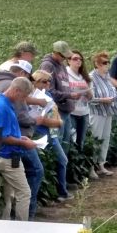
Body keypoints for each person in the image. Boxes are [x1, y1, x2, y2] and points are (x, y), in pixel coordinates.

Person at [0, 60, 47, 219]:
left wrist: (19, 137)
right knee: (24, 192)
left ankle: (7, 224)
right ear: (15, 90)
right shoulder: (1, 106)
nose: (23, 100)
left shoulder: (5, 103)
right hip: (7, 157)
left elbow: (3, 132)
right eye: (23, 96)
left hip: (9, 155)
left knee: (10, 195)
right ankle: (22, 227)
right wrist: (23, 142)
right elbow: (0, 136)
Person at [30, 70, 73, 201]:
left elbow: (53, 114)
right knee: (58, 161)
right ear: (35, 82)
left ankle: (59, 192)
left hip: (51, 134)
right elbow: (38, 119)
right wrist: (55, 122)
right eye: (44, 81)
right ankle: (60, 193)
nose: (48, 83)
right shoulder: (32, 97)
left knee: (57, 161)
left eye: (49, 81)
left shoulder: (46, 94)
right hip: (40, 134)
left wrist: (58, 122)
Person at [40, 41, 78, 150]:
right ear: (56, 53)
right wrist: (69, 95)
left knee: (66, 143)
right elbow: (49, 91)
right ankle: (58, 166)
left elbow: (64, 85)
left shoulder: (61, 65)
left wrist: (71, 94)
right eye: (62, 55)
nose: (65, 58)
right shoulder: (48, 65)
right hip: (57, 110)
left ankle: (64, 166)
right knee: (58, 143)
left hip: (66, 109)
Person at [88, 52, 116, 176]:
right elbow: (90, 98)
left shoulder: (107, 76)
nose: (107, 65)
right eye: (104, 63)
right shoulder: (91, 77)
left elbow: (112, 91)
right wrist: (104, 100)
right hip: (97, 113)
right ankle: (91, 167)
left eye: (108, 62)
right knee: (96, 139)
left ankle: (101, 165)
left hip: (108, 111)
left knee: (105, 138)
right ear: (97, 64)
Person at [67, 50, 93, 150]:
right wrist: (72, 95)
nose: (78, 61)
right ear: (68, 61)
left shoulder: (85, 76)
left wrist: (88, 92)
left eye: (80, 59)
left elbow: (91, 97)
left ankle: (79, 162)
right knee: (70, 140)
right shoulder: (65, 74)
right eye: (75, 59)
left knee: (80, 141)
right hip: (71, 111)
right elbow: (62, 92)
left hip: (84, 111)